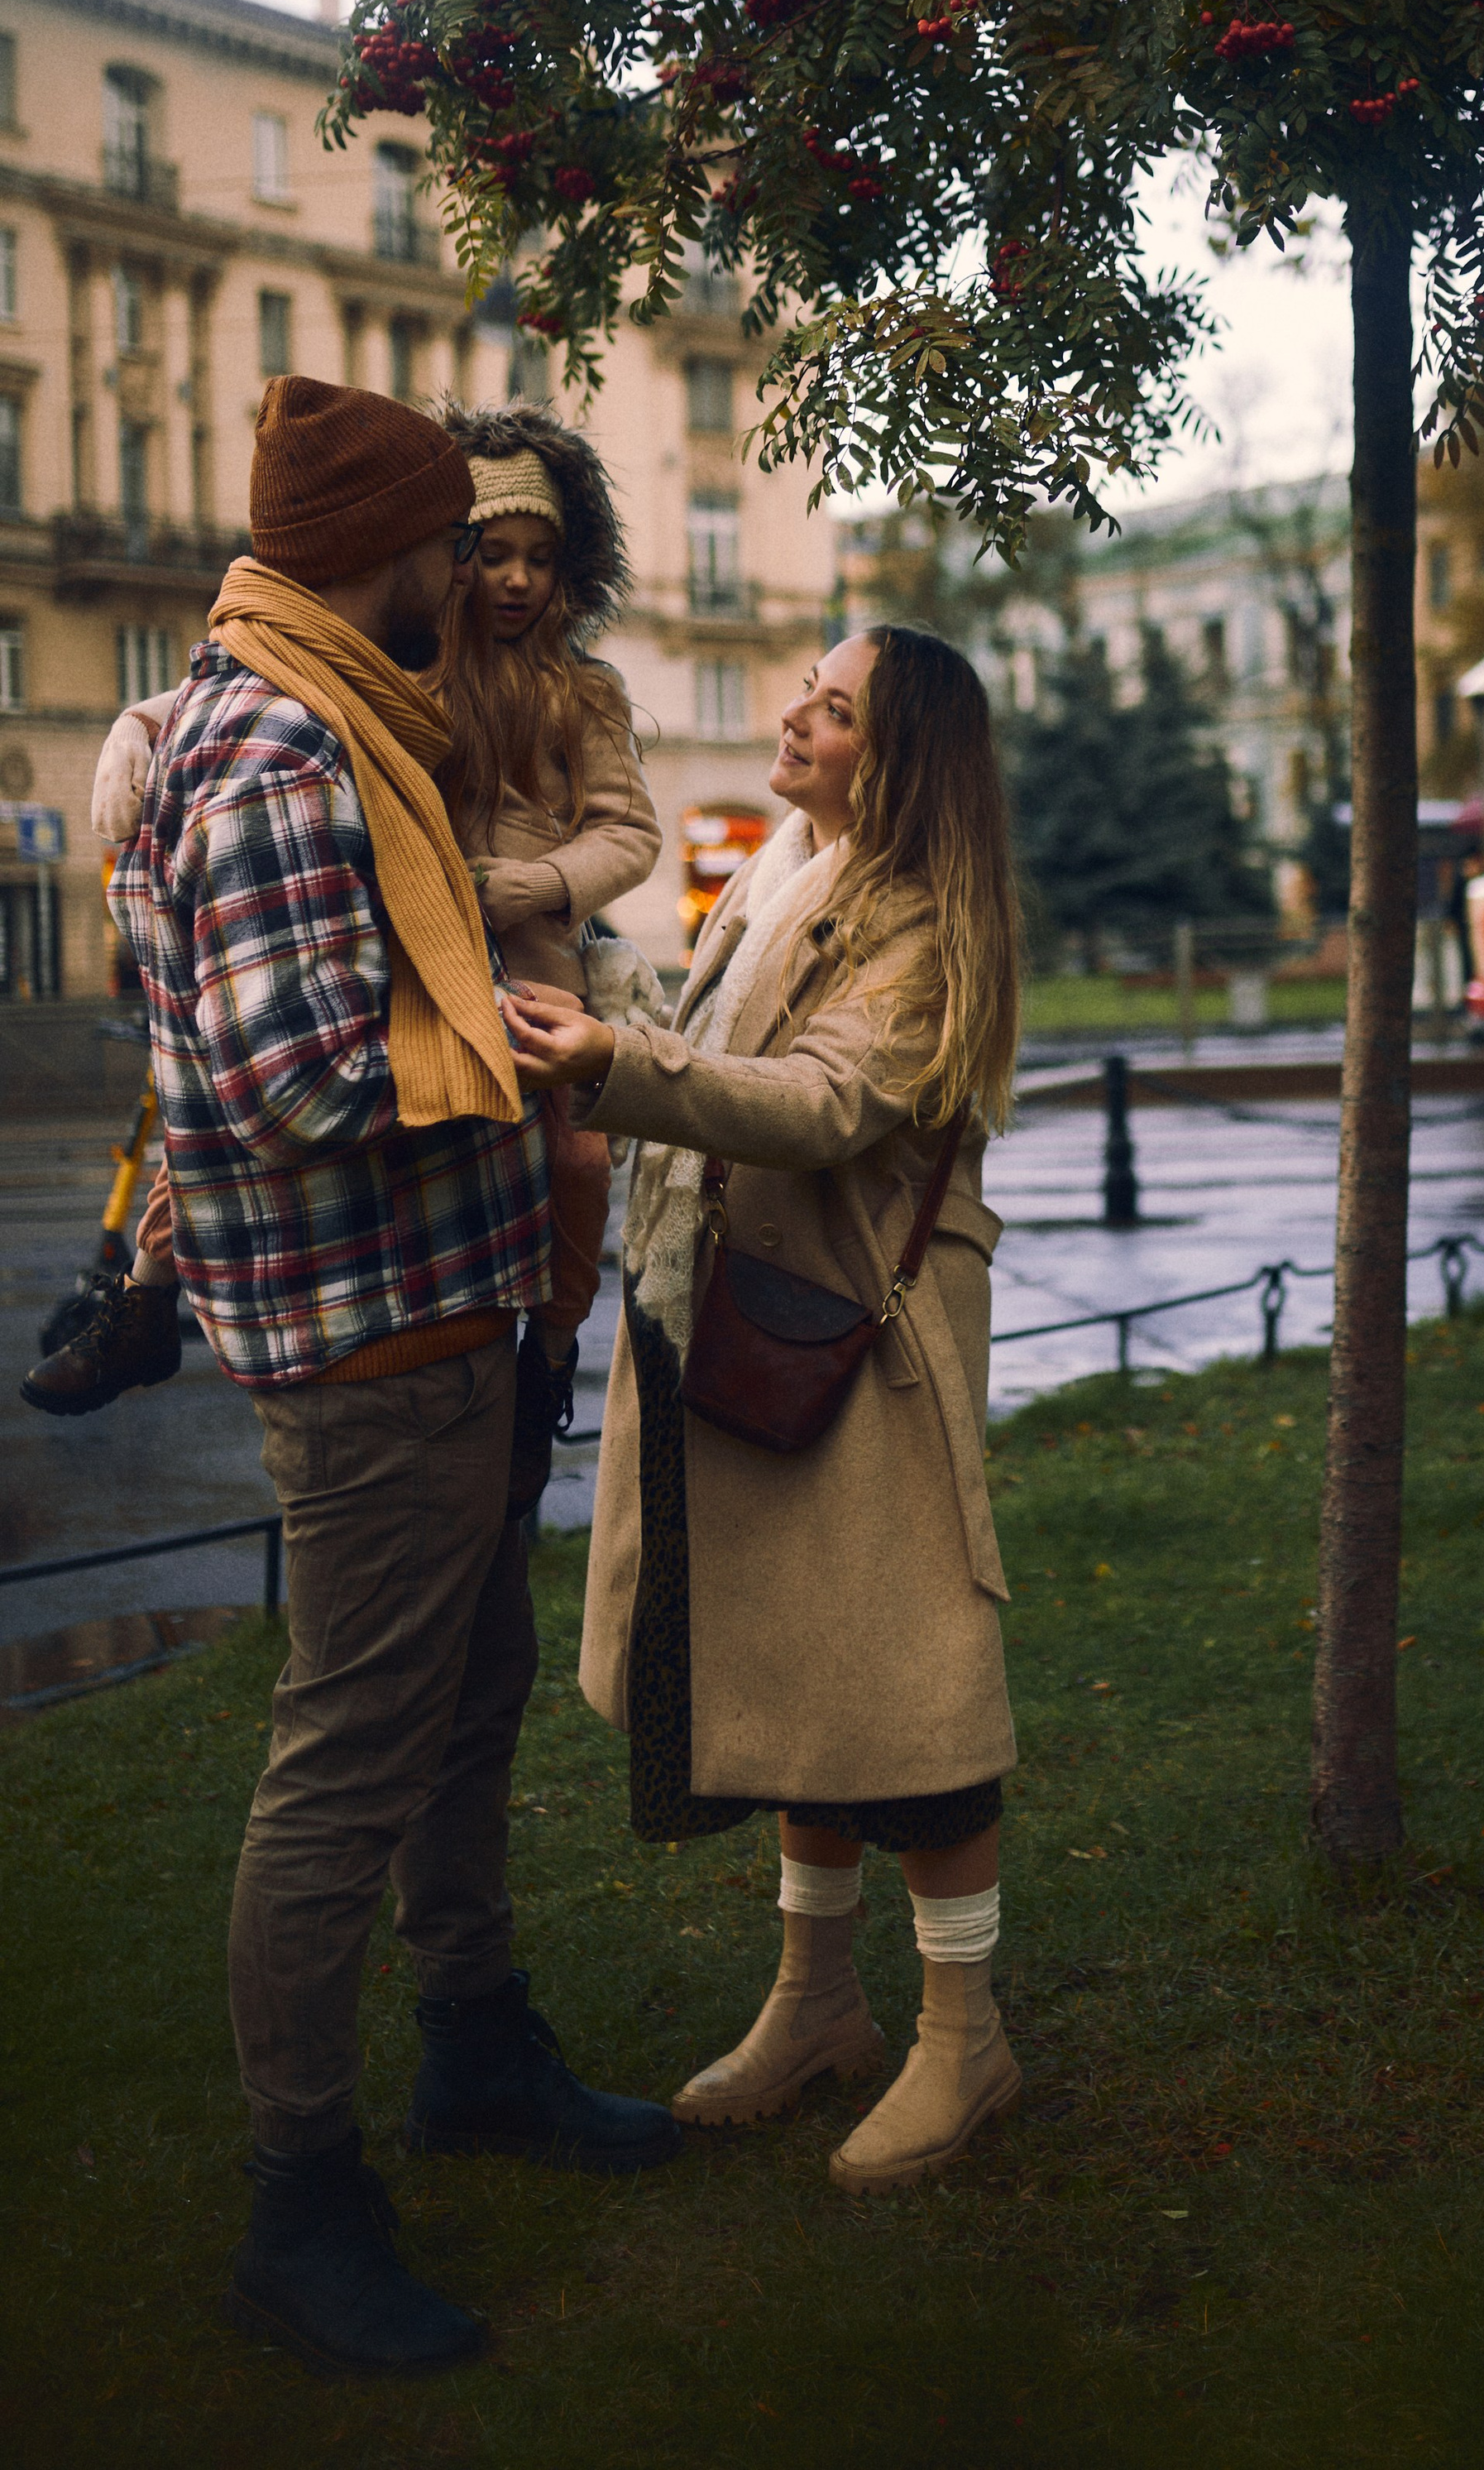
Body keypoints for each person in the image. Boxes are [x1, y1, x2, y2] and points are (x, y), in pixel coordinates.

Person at [104, 376, 680, 2382]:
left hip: (451, 1314)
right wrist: (550, 1066)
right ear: (387, 550)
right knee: (349, 1754)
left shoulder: (322, 707)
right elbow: (292, 1077)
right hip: (368, 1342)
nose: (473, 565)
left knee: (461, 1700)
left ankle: (477, 2047)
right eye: (449, 536)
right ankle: (302, 2199)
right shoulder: (278, 741)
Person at [501, 624, 1023, 2195]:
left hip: (858, 1349)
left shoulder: (925, 920)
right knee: (796, 1682)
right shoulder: (797, 853)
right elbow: (730, 1037)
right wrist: (613, 1006)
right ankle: (815, 2008)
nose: (793, 715)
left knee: (907, 1702)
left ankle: (965, 2039)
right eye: (806, 687)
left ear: (900, 756)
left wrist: (616, 1064)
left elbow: (823, 1102)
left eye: (833, 706)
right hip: (732, 1317)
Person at [27, 405, 660, 1472]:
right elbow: (230, 690)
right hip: (411, 946)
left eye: (538, 561)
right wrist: (132, 730)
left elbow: (630, 832)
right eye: (488, 553)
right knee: (206, 1146)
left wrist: (539, 883)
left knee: (578, 1160)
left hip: (531, 965)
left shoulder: (583, 694)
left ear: (570, 570)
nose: (511, 581)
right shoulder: (407, 668)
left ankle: (548, 1362)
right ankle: (141, 1301)